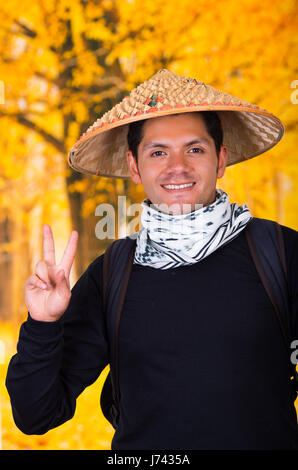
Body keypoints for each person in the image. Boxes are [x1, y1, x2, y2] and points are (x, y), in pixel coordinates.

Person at [6, 70, 298, 450]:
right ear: (134, 166)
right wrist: (43, 325)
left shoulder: (279, 252)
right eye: (158, 152)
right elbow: (36, 415)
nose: (177, 166)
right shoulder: (112, 274)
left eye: (195, 149)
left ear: (221, 159)